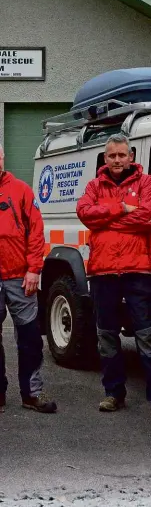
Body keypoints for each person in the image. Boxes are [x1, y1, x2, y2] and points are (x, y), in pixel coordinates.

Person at [76, 134, 151, 422]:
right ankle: (113, 393)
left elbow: (146, 218)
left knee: (148, 336)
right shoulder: (94, 185)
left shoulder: (147, 184)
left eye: (122, 155)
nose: (117, 160)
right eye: (112, 156)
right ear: (105, 158)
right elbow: (84, 213)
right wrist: (120, 208)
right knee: (106, 335)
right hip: (103, 272)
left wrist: (105, 217)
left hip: (138, 271)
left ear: (131, 156)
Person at [0, 142, 57, 414]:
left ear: (2, 157)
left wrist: (34, 268)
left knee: (30, 337)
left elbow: (36, 232)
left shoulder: (21, 190)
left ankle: (31, 394)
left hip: (20, 278)